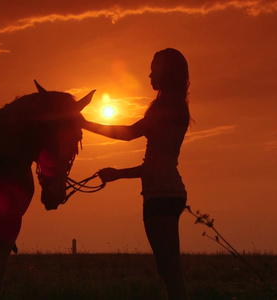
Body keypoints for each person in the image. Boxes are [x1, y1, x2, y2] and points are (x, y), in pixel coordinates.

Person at [83, 48, 191, 300]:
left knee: (169, 272)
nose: (149, 74)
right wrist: (117, 174)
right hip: (168, 192)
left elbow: (129, 134)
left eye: (153, 68)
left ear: (165, 72)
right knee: (169, 271)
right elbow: (156, 164)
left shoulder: (165, 110)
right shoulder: (175, 108)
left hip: (160, 195)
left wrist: (85, 124)